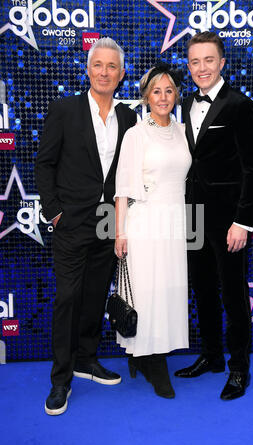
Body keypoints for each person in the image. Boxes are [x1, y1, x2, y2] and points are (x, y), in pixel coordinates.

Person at [35, 37, 139, 415]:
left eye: (113, 66)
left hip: (108, 223)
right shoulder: (64, 109)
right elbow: (44, 163)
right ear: (88, 68)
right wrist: (54, 211)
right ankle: (60, 379)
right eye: (99, 65)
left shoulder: (129, 116)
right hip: (71, 223)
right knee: (67, 300)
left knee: (95, 296)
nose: (105, 72)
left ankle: (86, 359)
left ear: (122, 73)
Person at [174, 32, 253, 400]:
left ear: (222, 62)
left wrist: (243, 221)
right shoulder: (184, 104)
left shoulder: (240, 106)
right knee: (204, 290)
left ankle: (239, 368)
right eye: (194, 62)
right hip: (193, 215)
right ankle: (211, 356)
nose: (201, 68)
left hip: (229, 220)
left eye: (208, 60)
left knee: (233, 294)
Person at [114, 64, 191, 398]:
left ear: (176, 95)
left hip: (175, 221)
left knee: (168, 291)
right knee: (146, 292)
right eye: (156, 91)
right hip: (144, 222)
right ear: (146, 96)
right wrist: (119, 233)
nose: (163, 97)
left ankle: (144, 355)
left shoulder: (183, 130)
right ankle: (151, 361)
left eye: (169, 90)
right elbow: (122, 189)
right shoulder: (136, 133)